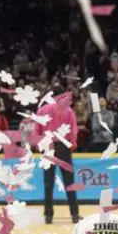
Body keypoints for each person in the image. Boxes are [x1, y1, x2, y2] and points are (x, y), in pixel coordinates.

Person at [35, 92, 80, 225]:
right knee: (69, 182)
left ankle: (48, 216)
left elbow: (37, 130)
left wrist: (40, 146)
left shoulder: (42, 110)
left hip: (48, 146)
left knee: (48, 183)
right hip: (63, 147)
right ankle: (74, 214)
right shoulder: (68, 110)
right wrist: (72, 144)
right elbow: (73, 129)